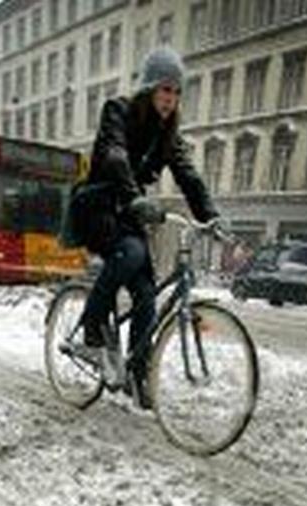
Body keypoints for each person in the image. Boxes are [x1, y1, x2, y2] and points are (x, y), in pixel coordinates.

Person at [77, 45, 222, 408]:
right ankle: (92, 329)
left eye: (176, 92)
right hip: (98, 206)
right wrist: (133, 197)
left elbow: (187, 174)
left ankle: (137, 373)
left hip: (129, 212)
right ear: (149, 88)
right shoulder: (118, 111)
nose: (171, 98)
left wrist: (210, 215)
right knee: (131, 252)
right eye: (165, 89)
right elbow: (115, 155)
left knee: (146, 295)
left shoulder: (167, 134)